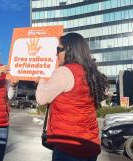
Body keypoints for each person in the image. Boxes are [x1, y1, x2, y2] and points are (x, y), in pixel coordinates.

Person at [36, 33, 109, 161]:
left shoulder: (65, 71)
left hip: (68, 144)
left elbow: (41, 99)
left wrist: (41, 81)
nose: (56, 54)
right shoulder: (91, 73)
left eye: (58, 49)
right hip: (90, 143)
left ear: (69, 50)